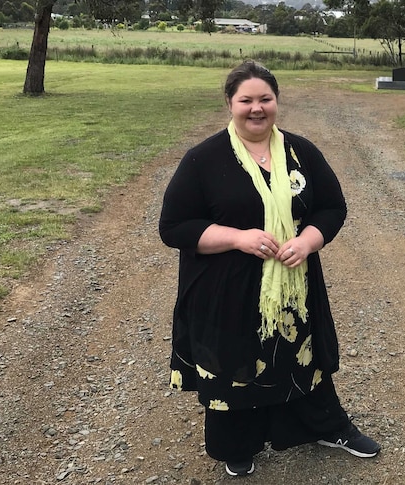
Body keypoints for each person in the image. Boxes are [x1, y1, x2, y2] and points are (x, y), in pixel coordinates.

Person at [159, 60, 380, 477]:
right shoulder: (203, 159)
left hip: (293, 283)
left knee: (300, 355)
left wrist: (308, 240)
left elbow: (333, 207)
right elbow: (173, 227)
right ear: (230, 103)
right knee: (236, 363)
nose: (256, 108)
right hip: (226, 290)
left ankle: (327, 426)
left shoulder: (301, 152)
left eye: (265, 99)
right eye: (246, 100)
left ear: (277, 101)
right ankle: (236, 443)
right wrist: (238, 237)